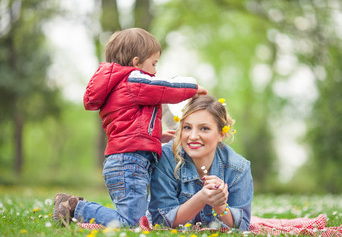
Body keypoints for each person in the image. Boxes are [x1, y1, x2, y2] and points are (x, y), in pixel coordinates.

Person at [52, 28, 207, 227]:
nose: (155, 71)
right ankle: (76, 208)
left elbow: (128, 125)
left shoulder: (121, 87)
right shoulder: (133, 80)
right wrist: (193, 88)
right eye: (153, 63)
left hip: (125, 160)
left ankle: (77, 208)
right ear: (136, 62)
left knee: (136, 216)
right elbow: (165, 88)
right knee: (132, 222)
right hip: (130, 162)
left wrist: (156, 137)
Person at [149, 95, 253, 230]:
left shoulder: (238, 168)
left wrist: (220, 206)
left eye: (204, 128)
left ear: (221, 134)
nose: (192, 136)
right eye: (187, 127)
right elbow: (160, 222)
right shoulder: (168, 159)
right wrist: (201, 199)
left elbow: (242, 226)